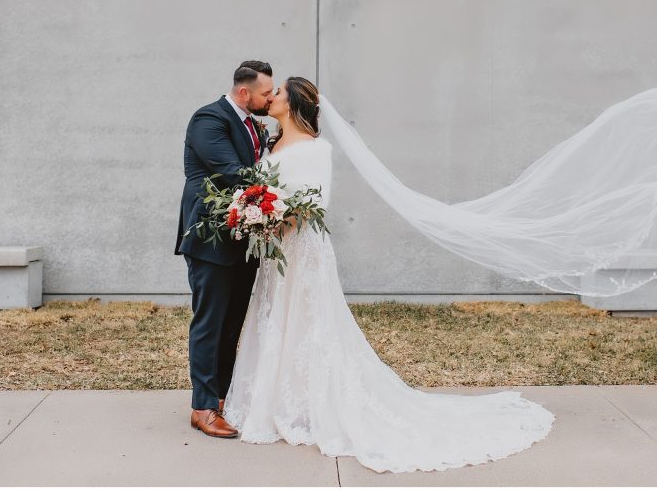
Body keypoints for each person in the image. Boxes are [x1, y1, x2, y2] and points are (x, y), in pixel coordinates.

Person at [221, 76, 556, 473]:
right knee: (278, 319)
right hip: (276, 253)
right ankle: (280, 399)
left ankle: (314, 402)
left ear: (293, 103)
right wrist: (258, 218)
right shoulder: (271, 144)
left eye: (277, 93)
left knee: (309, 322)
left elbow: (315, 202)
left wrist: (275, 220)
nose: (270, 97)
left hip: (303, 249)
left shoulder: (316, 149)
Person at [176, 60, 273, 438]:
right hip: (209, 237)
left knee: (232, 322)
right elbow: (233, 172)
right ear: (244, 92)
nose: (270, 98)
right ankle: (201, 407)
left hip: (243, 236)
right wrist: (286, 188)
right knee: (209, 322)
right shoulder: (208, 119)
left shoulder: (254, 125)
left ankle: (220, 398)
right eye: (266, 93)